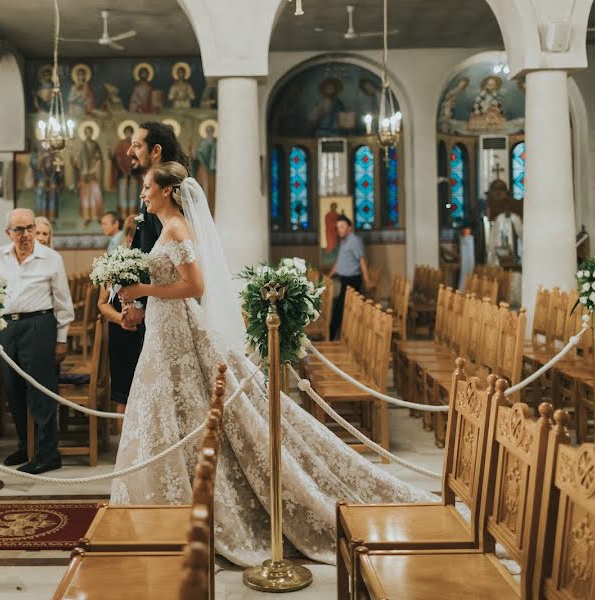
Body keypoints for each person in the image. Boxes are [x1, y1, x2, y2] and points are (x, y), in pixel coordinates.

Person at [110, 163, 431, 566]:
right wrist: (136, 296)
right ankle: (163, 501)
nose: (142, 194)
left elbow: (195, 286)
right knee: (167, 408)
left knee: (193, 405)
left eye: (147, 188)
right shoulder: (165, 228)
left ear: (169, 191)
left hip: (176, 327)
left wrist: (143, 289)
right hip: (162, 325)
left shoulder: (176, 228)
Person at [0, 208, 74, 474]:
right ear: (8, 233)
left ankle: (48, 453)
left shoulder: (50, 258)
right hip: (7, 326)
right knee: (13, 390)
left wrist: (61, 339)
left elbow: (63, 302)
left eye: (29, 228)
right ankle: (26, 446)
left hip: (39, 324)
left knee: (41, 391)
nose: (26, 235)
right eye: (19, 230)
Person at [121, 121, 191, 331]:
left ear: (156, 151)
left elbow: (170, 266)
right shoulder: (154, 196)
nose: (128, 151)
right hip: (155, 307)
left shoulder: (169, 205)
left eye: (136, 145)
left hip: (166, 310)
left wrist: (140, 299)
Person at [97, 215, 142, 433]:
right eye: (132, 238)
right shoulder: (113, 264)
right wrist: (120, 319)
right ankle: (125, 452)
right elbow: (102, 303)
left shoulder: (152, 264)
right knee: (123, 395)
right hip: (122, 336)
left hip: (148, 334)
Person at [328, 214, 373, 339]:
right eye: (338, 227)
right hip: (344, 280)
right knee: (339, 309)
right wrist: (328, 277)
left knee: (340, 310)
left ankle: (331, 338)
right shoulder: (344, 241)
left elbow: (362, 261)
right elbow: (339, 263)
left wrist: (367, 280)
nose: (339, 230)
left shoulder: (354, 241)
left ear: (349, 227)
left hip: (352, 281)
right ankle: (336, 337)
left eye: (342, 226)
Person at [111, 126, 136, 219]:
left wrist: (133, 168)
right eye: (127, 132)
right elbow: (117, 157)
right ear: (124, 133)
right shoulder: (120, 144)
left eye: (130, 132)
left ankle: (132, 215)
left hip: (133, 173)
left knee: (133, 194)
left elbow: (139, 158)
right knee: (123, 194)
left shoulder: (136, 145)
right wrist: (123, 169)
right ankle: (122, 216)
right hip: (122, 174)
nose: (128, 134)